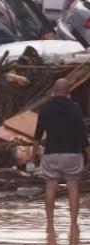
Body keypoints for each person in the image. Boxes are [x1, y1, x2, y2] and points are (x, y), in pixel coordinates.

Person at [33, 78, 90, 229]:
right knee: (73, 187)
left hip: (51, 153)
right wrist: (87, 152)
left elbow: (38, 133)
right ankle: (73, 223)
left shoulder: (45, 108)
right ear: (69, 91)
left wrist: (35, 151)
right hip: (72, 154)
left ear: (54, 90)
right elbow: (82, 134)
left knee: (50, 186)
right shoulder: (75, 108)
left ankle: (50, 223)